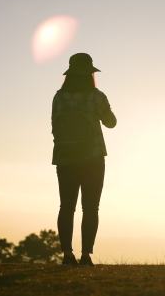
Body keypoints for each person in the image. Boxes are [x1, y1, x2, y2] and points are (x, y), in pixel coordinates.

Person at [51, 53, 117, 266]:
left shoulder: (59, 97)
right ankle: (86, 255)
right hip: (93, 157)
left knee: (66, 206)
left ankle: (67, 254)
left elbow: (54, 127)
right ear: (90, 74)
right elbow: (111, 123)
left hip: (64, 158)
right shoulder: (96, 96)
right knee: (90, 208)